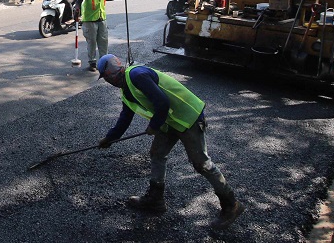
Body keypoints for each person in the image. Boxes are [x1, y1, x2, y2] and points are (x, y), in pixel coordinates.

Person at [95, 54, 244, 229]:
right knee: (157, 154)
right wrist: (110, 138)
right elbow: (125, 118)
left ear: (112, 74)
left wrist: (154, 125)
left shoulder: (137, 75)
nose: (107, 81)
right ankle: (155, 199)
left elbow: (162, 102)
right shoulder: (126, 89)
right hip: (170, 120)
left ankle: (231, 205)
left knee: (201, 164)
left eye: (105, 77)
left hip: (189, 118)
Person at [73, 0, 127, 71]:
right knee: (92, 42)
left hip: (102, 19)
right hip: (90, 20)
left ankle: (104, 62)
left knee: (103, 41)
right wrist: (77, 10)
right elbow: (78, 1)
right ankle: (92, 63)